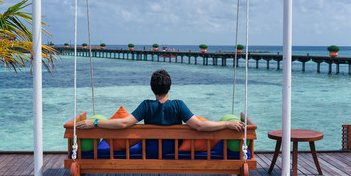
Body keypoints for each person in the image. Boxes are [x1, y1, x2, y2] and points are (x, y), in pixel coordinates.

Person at [76, 69, 244, 132]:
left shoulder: (146, 105)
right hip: (174, 153)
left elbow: (122, 123)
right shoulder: (178, 105)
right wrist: (227, 124)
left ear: (152, 88)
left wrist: (95, 123)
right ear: (169, 87)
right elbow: (200, 125)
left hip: (150, 152)